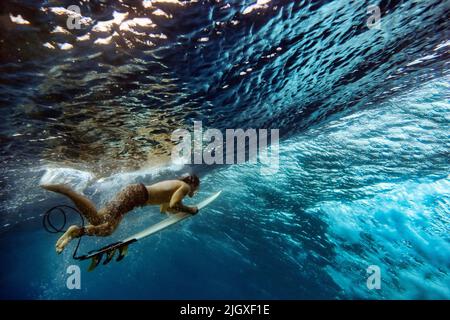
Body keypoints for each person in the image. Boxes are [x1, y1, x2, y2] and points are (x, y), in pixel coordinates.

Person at [41, 174, 200, 253]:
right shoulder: (184, 187)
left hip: (134, 198)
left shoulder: (176, 187)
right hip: (134, 194)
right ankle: (67, 190)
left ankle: (76, 231)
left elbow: (166, 207)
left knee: (107, 230)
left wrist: (176, 215)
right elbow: (174, 204)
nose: (195, 191)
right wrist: (190, 209)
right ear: (192, 183)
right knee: (98, 219)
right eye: (196, 188)